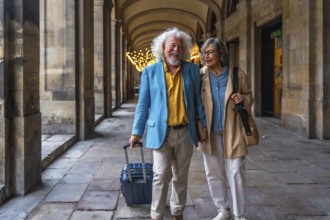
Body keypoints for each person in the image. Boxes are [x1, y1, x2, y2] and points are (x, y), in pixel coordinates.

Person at [129, 27, 207, 220]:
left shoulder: (191, 70)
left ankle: (177, 213)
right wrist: (136, 132)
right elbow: (143, 104)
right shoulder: (150, 72)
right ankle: (156, 215)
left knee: (180, 176)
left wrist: (203, 124)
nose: (176, 49)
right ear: (163, 48)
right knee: (160, 176)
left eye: (180, 46)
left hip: (185, 132)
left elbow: (198, 101)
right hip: (160, 133)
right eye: (172, 45)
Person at [198, 38, 253, 220]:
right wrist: (199, 124)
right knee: (213, 172)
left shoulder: (236, 74)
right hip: (210, 132)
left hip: (234, 129)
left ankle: (239, 214)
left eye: (210, 52)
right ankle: (223, 209)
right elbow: (195, 103)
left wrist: (242, 99)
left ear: (221, 54)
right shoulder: (200, 76)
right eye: (204, 52)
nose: (206, 56)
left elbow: (249, 96)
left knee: (236, 171)